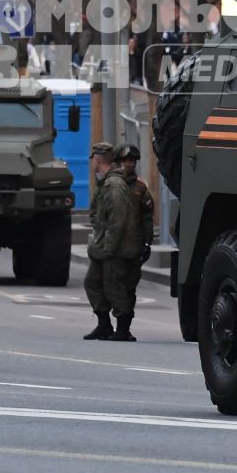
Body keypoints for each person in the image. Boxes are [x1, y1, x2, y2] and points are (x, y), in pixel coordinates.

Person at [82, 142, 140, 341]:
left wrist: (109, 248)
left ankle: (123, 329)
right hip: (103, 246)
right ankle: (104, 325)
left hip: (115, 249)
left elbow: (118, 219)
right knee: (93, 283)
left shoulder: (114, 185)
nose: (92, 164)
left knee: (115, 287)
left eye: (93, 160)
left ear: (98, 159)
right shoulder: (107, 182)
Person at [116, 144, 153, 340]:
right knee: (112, 285)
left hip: (133, 246)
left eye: (131, 161)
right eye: (124, 161)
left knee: (129, 287)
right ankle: (106, 324)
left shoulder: (140, 188)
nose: (128, 165)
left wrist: (147, 243)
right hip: (114, 245)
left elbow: (147, 217)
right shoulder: (112, 185)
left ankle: (124, 326)